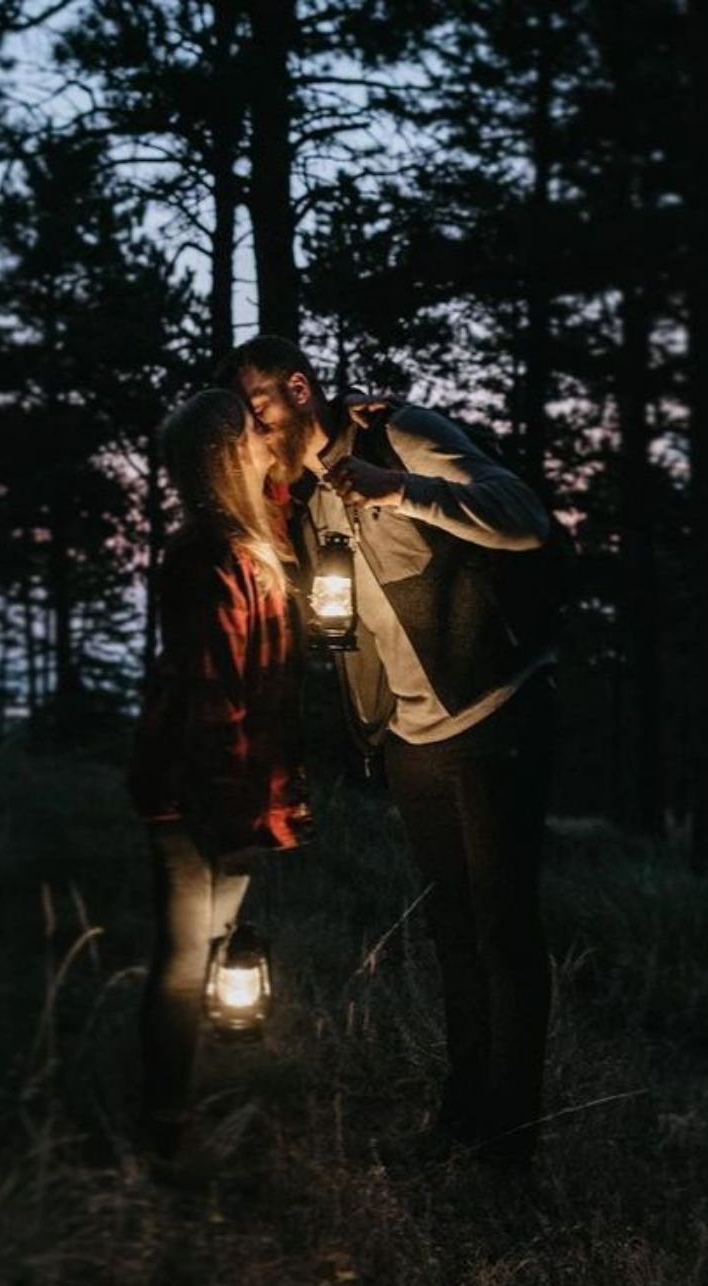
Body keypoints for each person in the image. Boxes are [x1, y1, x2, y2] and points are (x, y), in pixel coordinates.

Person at [215, 336, 556, 1169]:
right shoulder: (304, 499)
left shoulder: (395, 434)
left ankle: (511, 1150)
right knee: (453, 934)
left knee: (504, 934)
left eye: (259, 406)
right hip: (410, 738)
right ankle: (463, 1115)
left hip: (491, 712)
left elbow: (524, 517)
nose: (255, 427)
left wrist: (399, 487)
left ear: (299, 389)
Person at [126, 387, 311, 1165]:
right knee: (183, 959)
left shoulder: (251, 537)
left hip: (233, 786)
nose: (273, 443)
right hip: (196, 789)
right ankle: (167, 1133)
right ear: (232, 455)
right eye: (258, 435)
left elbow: (284, 479)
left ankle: (185, 1107)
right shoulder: (212, 559)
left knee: (210, 948)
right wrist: (233, 823)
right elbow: (212, 702)